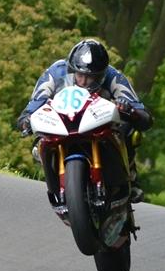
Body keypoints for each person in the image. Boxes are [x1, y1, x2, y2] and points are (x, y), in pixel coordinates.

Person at [16, 39, 153, 204]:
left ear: (102, 74)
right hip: (63, 122)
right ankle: (55, 182)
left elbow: (144, 117)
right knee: (39, 141)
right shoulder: (55, 72)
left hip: (98, 123)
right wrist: (27, 119)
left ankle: (130, 177)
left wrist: (129, 110)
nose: (83, 81)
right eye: (79, 75)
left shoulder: (113, 76)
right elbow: (35, 103)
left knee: (130, 130)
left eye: (91, 77)